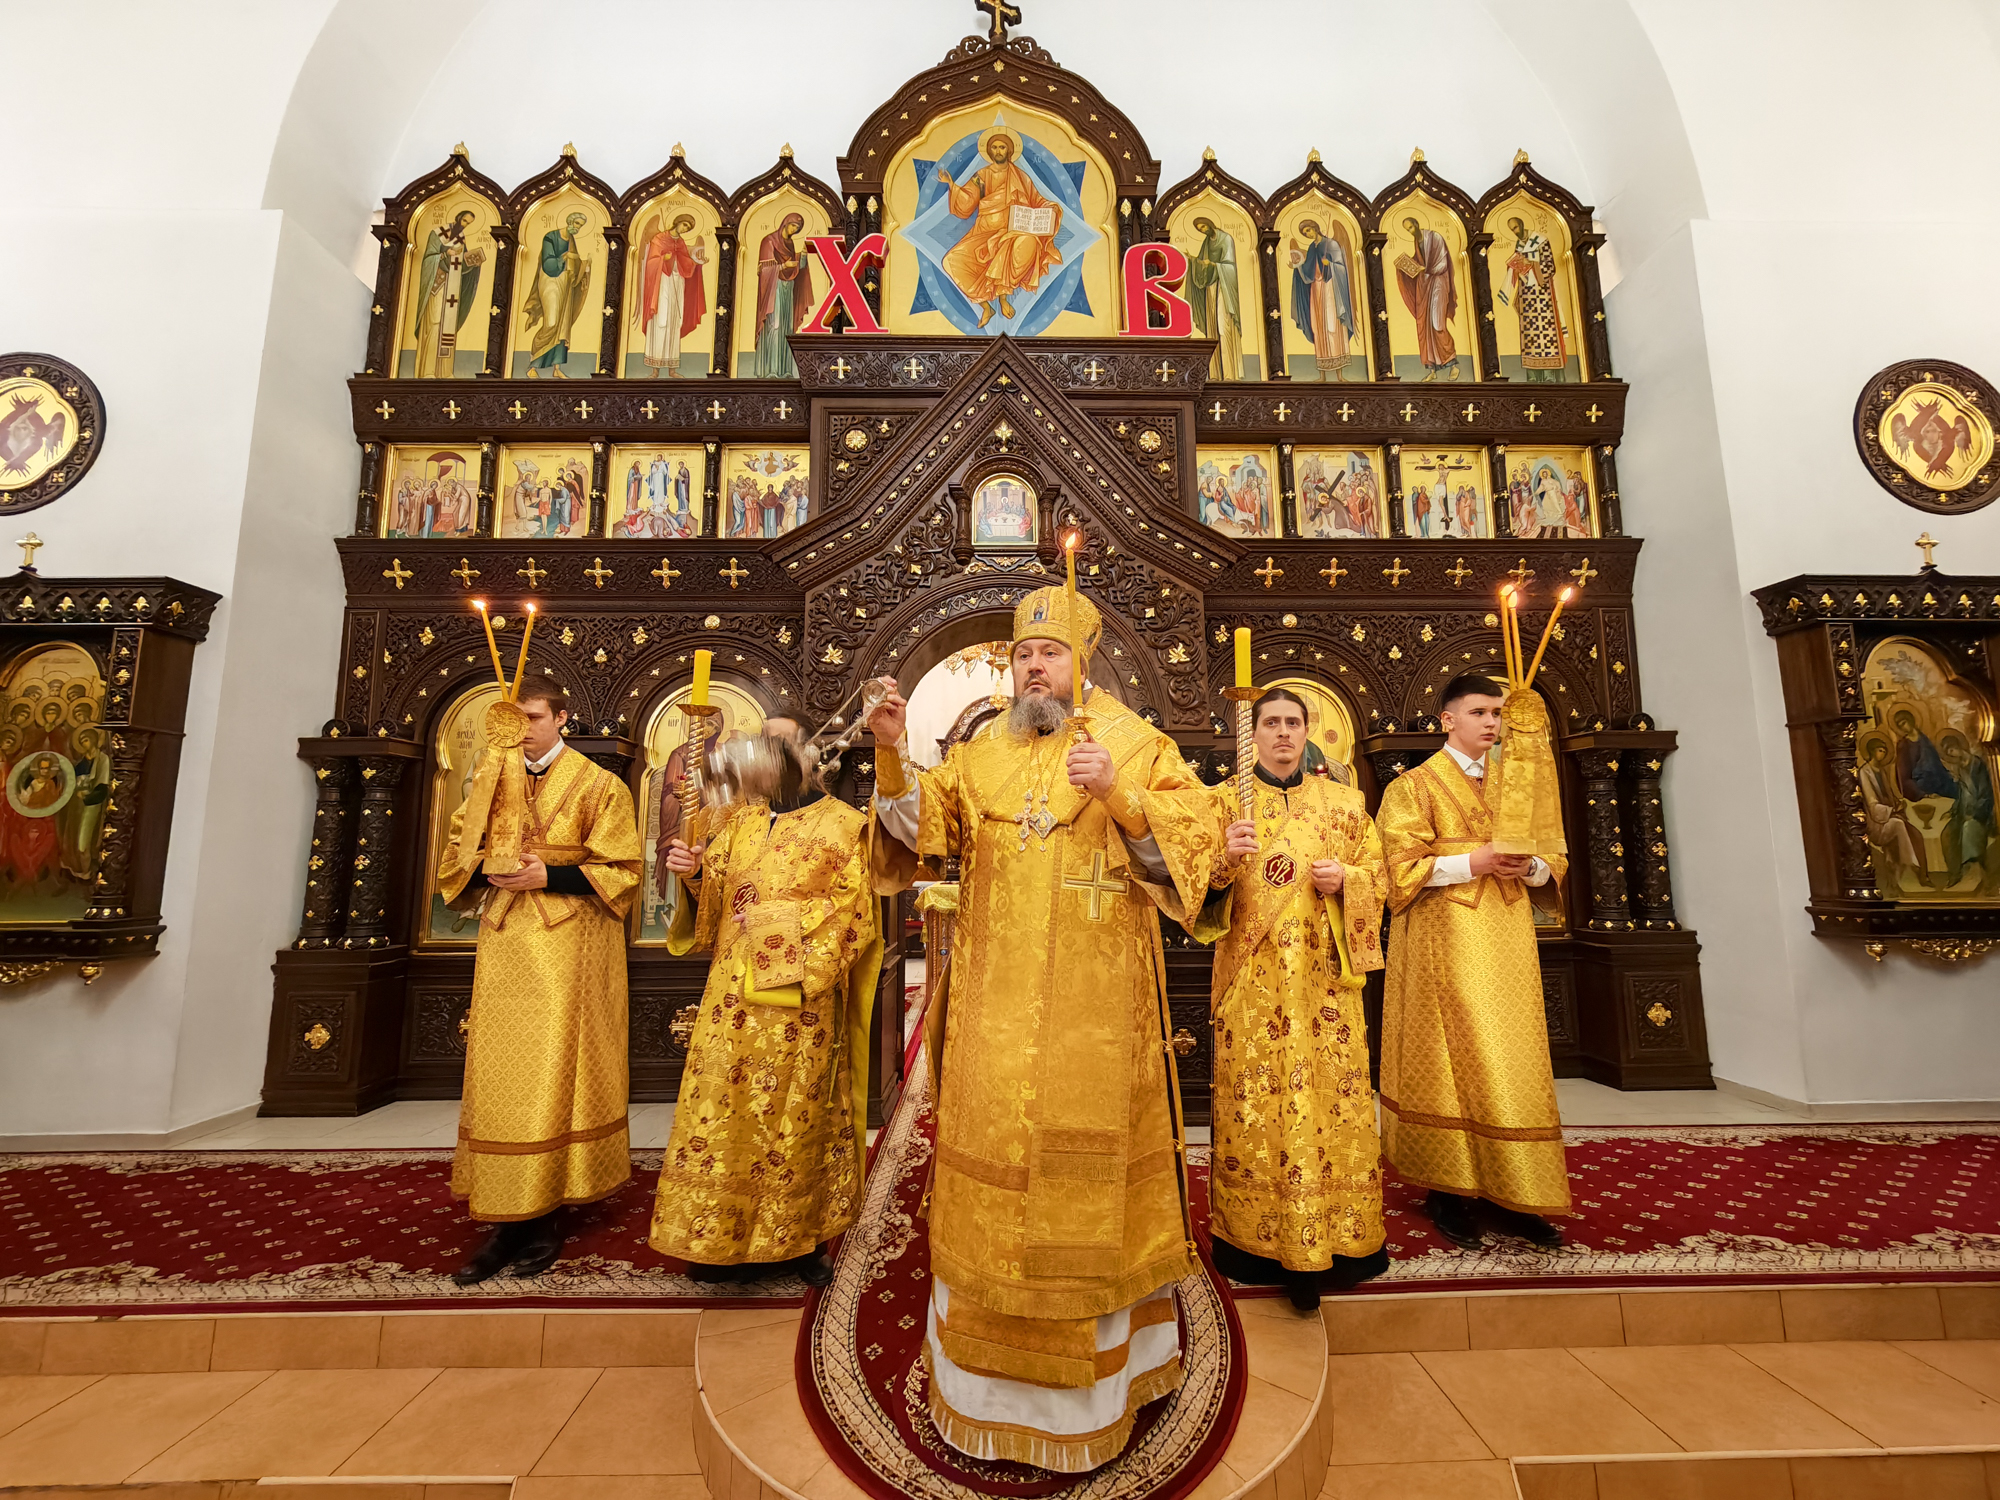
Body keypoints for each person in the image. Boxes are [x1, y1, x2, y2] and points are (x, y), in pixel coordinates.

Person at [864, 585, 1219, 1473]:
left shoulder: (1136, 743)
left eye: (1049, 653)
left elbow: (1198, 854)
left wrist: (1122, 796)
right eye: (1023, 654)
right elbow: (922, 829)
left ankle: (1102, 1387)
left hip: (1097, 1017)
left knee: (1084, 1185)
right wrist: (890, 755)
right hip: (993, 1007)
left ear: (1081, 662)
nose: (1033, 666)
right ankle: (980, 1385)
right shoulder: (983, 748)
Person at [650, 728, 881, 1286]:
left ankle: (797, 1240)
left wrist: (776, 924)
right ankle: (714, 1237)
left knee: (793, 1115)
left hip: (797, 1002)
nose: (760, 756)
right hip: (729, 997)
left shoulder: (846, 825)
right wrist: (694, 872)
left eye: (776, 745)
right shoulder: (740, 821)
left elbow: (855, 913)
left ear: (807, 756)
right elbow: (715, 902)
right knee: (721, 1113)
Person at [438, 676, 643, 1283]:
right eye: (513, 718)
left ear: (560, 717)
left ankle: (546, 1209)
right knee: (499, 1074)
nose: (521, 728)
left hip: (569, 945)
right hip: (505, 942)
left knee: (554, 1071)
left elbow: (624, 869)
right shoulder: (490, 780)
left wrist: (547, 876)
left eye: (532, 716)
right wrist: (485, 865)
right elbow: (455, 855)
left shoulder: (599, 784)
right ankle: (504, 1214)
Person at [1192, 689, 1387, 1312]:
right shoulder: (1222, 803)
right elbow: (1193, 896)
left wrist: (1348, 881)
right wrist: (1224, 862)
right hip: (1252, 987)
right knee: (1257, 1105)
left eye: (1293, 723)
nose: (1282, 733)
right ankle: (1254, 1242)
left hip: (1325, 986)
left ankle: (1342, 1238)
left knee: (1332, 1102)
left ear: (1308, 732)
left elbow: (1381, 876)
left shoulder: (1345, 803)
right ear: (1252, 734)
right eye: (1271, 722)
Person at [1376, 673, 1570, 1250]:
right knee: (1449, 1058)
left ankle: (1515, 1190)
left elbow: (1553, 856)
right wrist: (1474, 861)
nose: (1491, 722)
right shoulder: (1412, 786)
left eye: (1497, 713)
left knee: (1513, 1059)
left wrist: (1530, 867)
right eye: (1479, 712)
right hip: (1442, 942)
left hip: (1508, 941)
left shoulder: (1518, 785)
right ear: (1448, 719)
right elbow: (1395, 870)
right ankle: (1449, 1188)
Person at [938, 131, 1061, 329]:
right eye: (994, 147)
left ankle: (1004, 298)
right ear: (989, 151)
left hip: (1012, 231)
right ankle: (986, 307)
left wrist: (1051, 208)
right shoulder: (982, 176)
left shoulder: (1020, 177)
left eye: (1002, 147)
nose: (998, 151)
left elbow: (1037, 200)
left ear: (1009, 150)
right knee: (951, 261)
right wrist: (951, 184)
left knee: (1024, 242)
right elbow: (968, 202)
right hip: (983, 233)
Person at [522, 211, 593, 379]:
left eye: (581, 226)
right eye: (577, 224)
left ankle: (556, 368)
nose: (578, 228)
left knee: (563, 327)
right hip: (550, 281)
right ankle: (533, 365)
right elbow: (547, 262)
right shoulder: (551, 237)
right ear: (570, 221)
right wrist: (565, 257)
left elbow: (575, 265)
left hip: (566, 284)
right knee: (552, 323)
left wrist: (585, 265)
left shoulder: (572, 241)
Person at [1395, 215, 1459, 381]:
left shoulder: (1434, 237)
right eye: (1407, 230)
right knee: (1424, 326)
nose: (1411, 232)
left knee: (1437, 324)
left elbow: (1442, 263)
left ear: (1416, 223)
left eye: (1411, 227)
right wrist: (1405, 266)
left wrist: (1426, 269)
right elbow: (1420, 262)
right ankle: (1432, 370)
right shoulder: (1417, 242)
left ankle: (1453, 364)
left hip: (1438, 283)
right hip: (1423, 286)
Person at [752, 213, 814, 378]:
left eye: (797, 228)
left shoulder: (790, 244)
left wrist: (803, 255)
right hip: (774, 288)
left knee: (786, 327)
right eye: (793, 225)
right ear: (786, 223)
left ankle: (785, 370)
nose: (794, 229)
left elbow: (796, 270)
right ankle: (771, 370)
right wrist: (783, 266)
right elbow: (763, 270)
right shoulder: (769, 241)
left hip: (788, 287)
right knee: (775, 325)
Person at [1186, 217, 1242, 380]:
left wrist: (1212, 264)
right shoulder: (1206, 242)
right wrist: (1193, 261)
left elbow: (1230, 265)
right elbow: (1202, 263)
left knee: (1223, 327)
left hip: (1224, 286)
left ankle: (1230, 374)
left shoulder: (1226, 239)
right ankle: (1215, 374)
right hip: (1211, 285)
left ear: (1210, 224)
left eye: (1203, 227)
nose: (1203, 230)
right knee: (1212, 329)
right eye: (1200, 229)